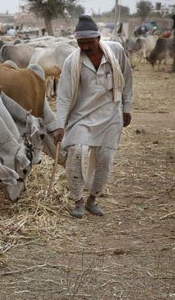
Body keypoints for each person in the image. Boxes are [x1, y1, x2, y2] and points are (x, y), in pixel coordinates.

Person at [52, 15, 133, 218]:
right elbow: (63, 95)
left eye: (89, 42)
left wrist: (127, 107)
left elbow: (127, 79)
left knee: (105, 158)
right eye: (81, 43)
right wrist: (60, 124)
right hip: (82, 116)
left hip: (110, 113)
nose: (85, 47)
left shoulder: (116, 52)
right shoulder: (72, 61)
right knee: (76, 153)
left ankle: (92, 200)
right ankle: (77, 200)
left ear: (98, 38)